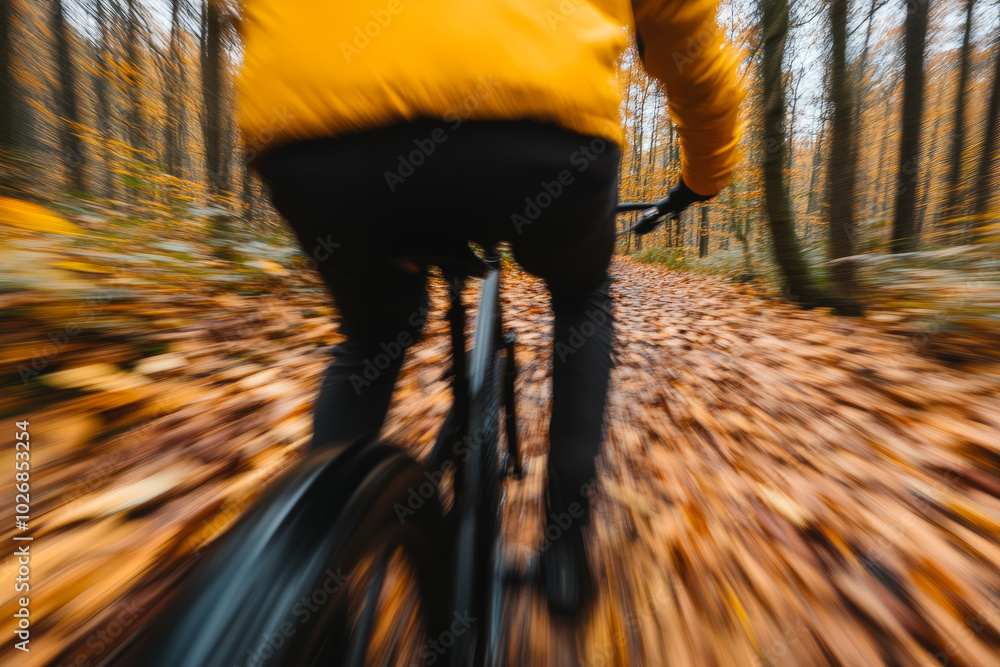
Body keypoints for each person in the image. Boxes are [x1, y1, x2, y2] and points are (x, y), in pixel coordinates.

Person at [236, 0, 743, 617]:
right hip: (542, 128)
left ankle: (300, 591)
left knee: (372, 335)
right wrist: (704, 176)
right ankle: (564, 550)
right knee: (581, 296)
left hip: (313, 131)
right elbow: (687, 40)